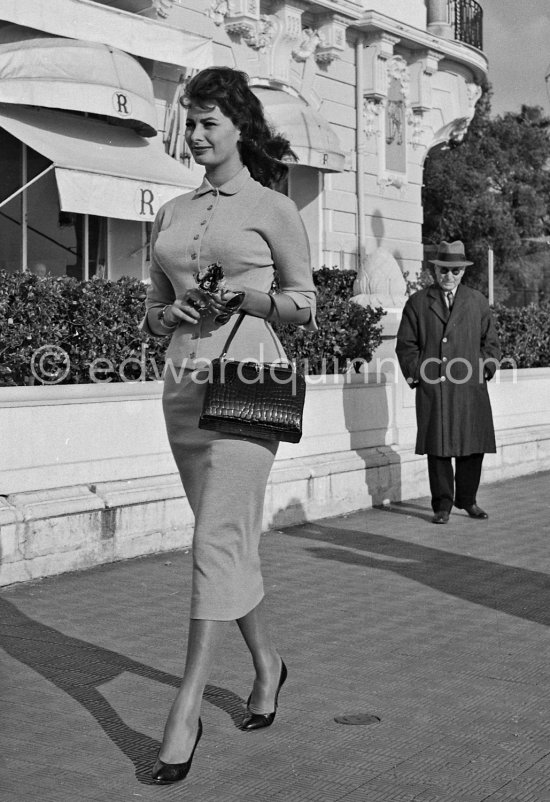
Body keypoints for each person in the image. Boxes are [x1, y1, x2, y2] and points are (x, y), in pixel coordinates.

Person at [141, 67, 316, 784]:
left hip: (248, 389)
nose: (198, 134)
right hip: (183, 389)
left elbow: (305, 304)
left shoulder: (274, 207)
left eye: (211, 121)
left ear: (240, 126)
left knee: (214, 540)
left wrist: (249, 299)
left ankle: (185, 712)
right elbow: (151, 311)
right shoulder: (171, 211)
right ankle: (268, 665)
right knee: (229, 544)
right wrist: (170, 314)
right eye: (192, 121)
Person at [395, 240, 501, 525]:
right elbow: (406, 345)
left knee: (472, 446)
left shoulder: (477, 301)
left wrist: (485, 368)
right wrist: (419, 374)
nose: (449, 276)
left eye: (455, 271)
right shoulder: (418, 303)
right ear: (435, 269)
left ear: (463, 272)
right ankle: (442, 505)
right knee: (438, 448)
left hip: (469, 387)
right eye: (444, 269)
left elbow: (490, 343)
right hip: (435, 388)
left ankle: (468, 500)